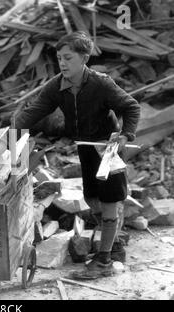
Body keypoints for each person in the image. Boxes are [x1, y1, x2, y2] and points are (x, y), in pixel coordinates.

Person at [14, 31, 140, 278]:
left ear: (84, 58)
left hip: (107, 149)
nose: (62, 63)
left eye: (68, 58)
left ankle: (103, 260)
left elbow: (131, 106)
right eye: (59, 57)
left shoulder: (101, 83)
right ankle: (113, 245)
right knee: (91, 198)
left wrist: (126, 135)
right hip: (85, 147)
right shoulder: (56, 87)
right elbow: (33, 112)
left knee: (110, 201)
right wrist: (9, 135)